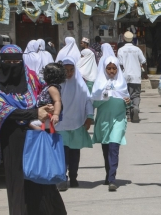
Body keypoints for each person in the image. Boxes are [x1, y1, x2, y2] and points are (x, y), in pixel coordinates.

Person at [0, 44, 67, 215]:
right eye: (8, 62)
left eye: (16, 61)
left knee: (40, 182)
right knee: (19, 185)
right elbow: (3, 110)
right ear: (2, 62)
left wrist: (50, 108)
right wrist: (34, 113)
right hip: (12, 140)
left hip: (35, 136)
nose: (13, 66)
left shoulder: (32, 78)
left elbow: (49, 93)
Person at [55, 49, 94, 191]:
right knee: (63, 152)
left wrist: (89, 118)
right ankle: (62, 178)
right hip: (61, 123)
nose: (69, 73)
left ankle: (73, 177)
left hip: (77, 123)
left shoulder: (80, 84)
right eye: (66, 70)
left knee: (75, 153)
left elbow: (88, 101)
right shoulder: (57, 85)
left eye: (71, 70)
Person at [91, 53, 130, 192]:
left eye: (114, 68)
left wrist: (127, 102)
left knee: (114, 148)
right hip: (104, 121)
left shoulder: (122, 83)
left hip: (118, 120)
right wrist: (101, 95)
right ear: (104, 69)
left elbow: (127, 101)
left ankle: (113, 179)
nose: (112, 71)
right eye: (109, 68)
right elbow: (93, 102)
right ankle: (108, 174)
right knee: (106, 149)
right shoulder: (99, 84)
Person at [118, 31, 148, 123]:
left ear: (123, 39)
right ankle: (135, 108)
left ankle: (128, 115)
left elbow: (120, 65)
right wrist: (145, 73)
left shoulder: (121, 50)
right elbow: (143, 62)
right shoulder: (137, 49)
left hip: (125, 76)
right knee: (136, 95)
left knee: (126, 96)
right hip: (136, 76)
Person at [28, 63, 64, 130]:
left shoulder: (52, 88)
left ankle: (41, 132)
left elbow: (57, 101)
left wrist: (56, 114)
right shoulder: (49, 87)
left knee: (31, 124)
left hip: (48, 116)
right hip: (46, 115)